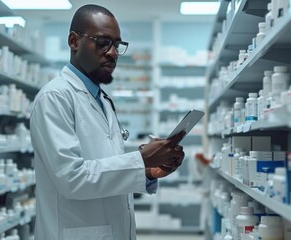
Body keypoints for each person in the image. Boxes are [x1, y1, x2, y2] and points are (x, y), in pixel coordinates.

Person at [30, 4, 186, 240]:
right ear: (74, 41)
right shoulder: (55, 97)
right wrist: (140, 158)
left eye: (117, 44)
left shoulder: (101, 99)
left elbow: (106, 169)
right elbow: (71, 179)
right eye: (103, 42)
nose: (113, 53)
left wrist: (148, 172)